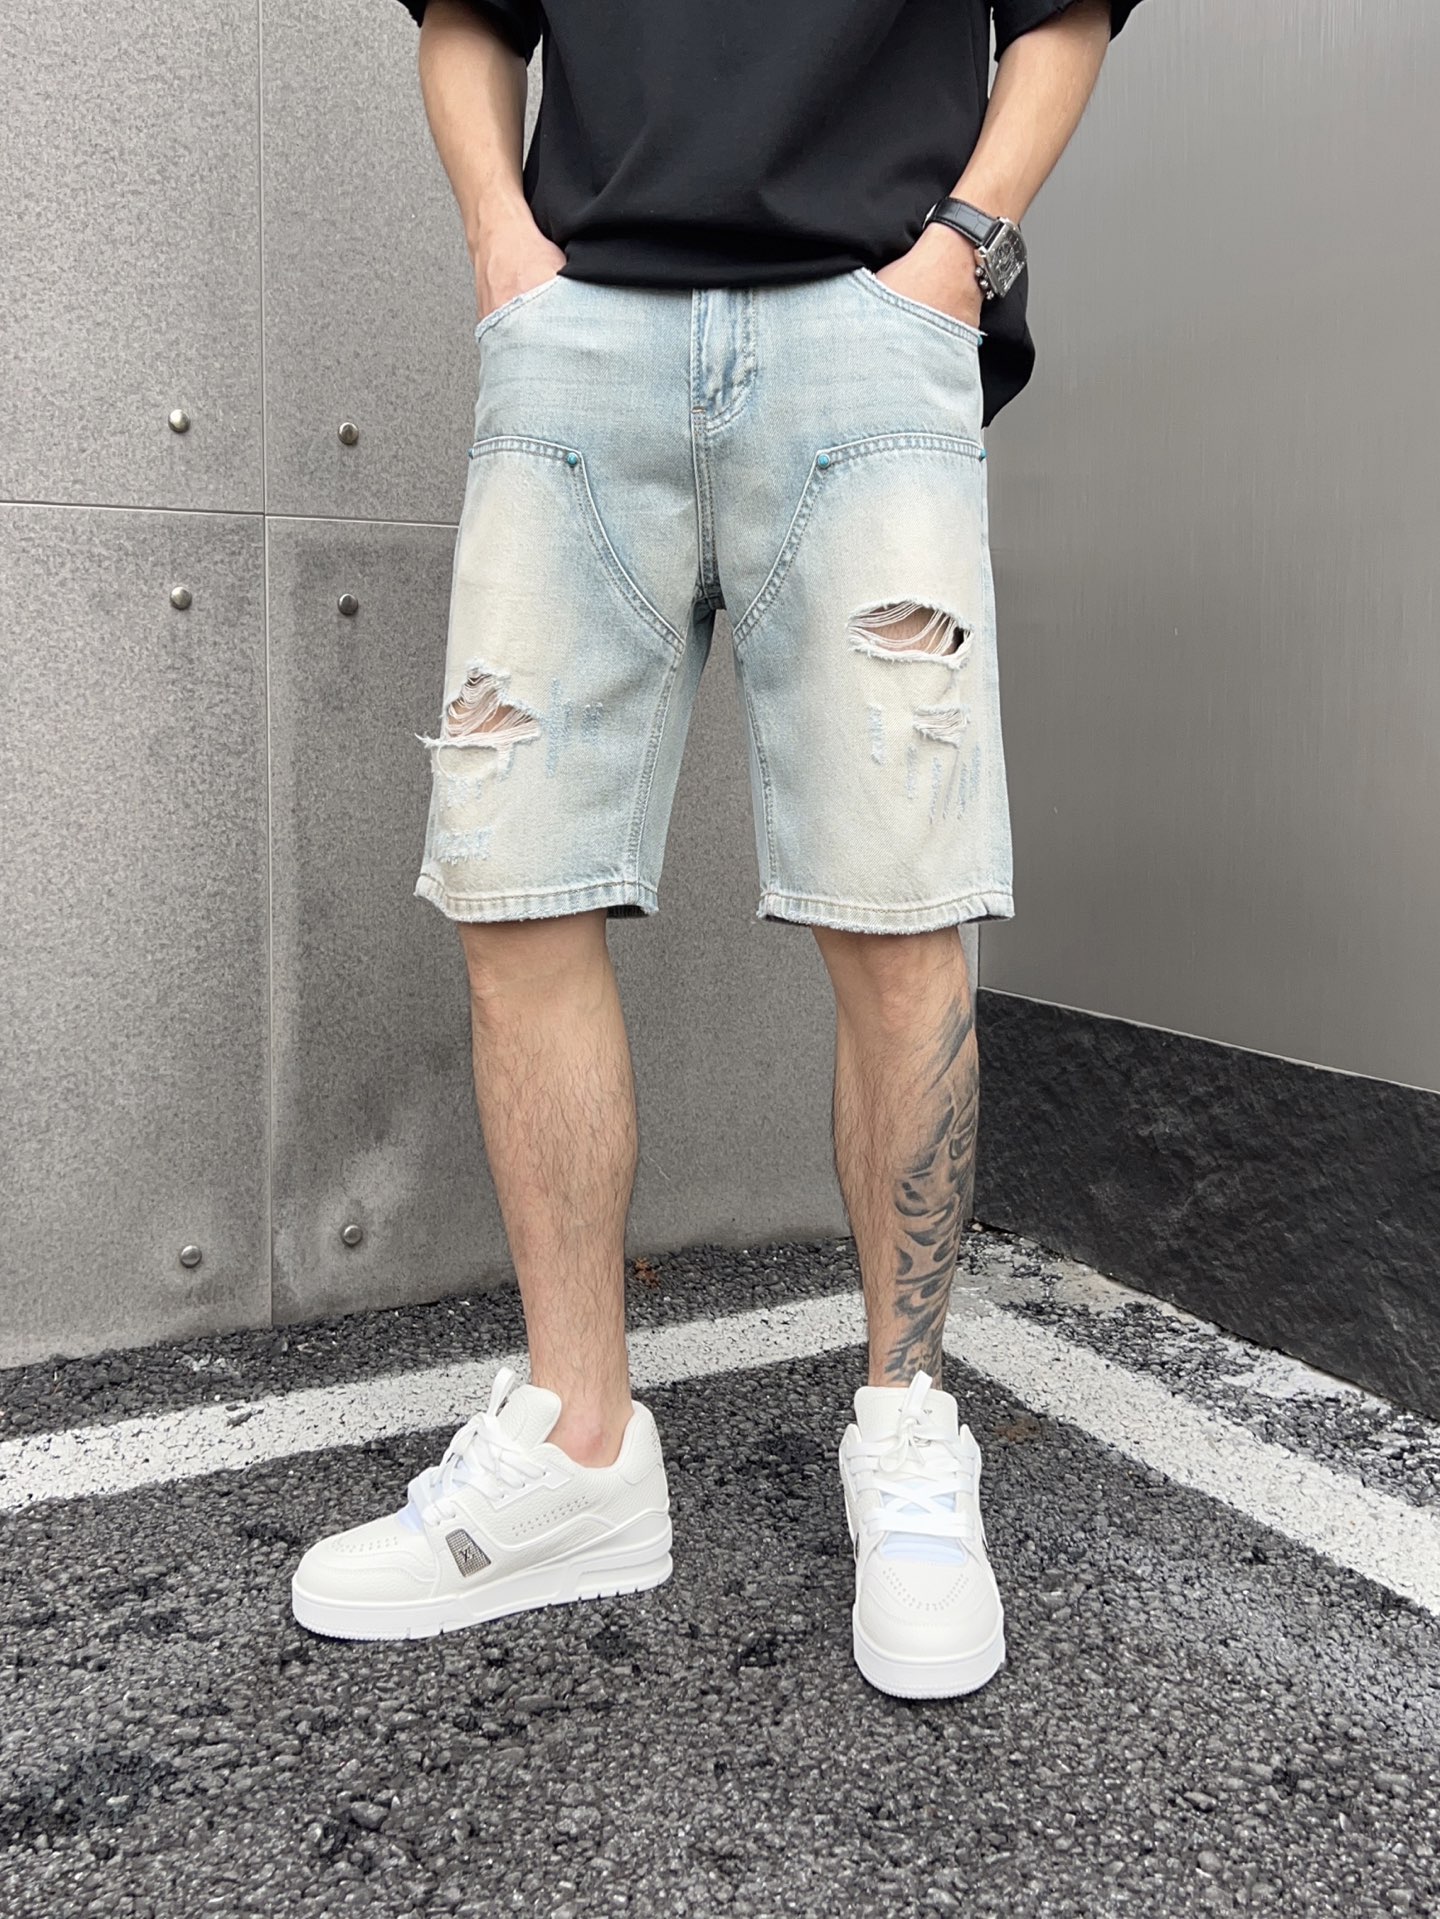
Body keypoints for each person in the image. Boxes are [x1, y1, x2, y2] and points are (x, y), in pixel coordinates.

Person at [291, 0, 1142, 1698]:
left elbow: (1064, 13)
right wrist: (503, 247)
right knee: (514, 887)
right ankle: (581, 1451)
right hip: (580, 338)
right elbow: (468, 19)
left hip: (867, 327)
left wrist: (960, 252)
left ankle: (907, 1431)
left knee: (901, 905)